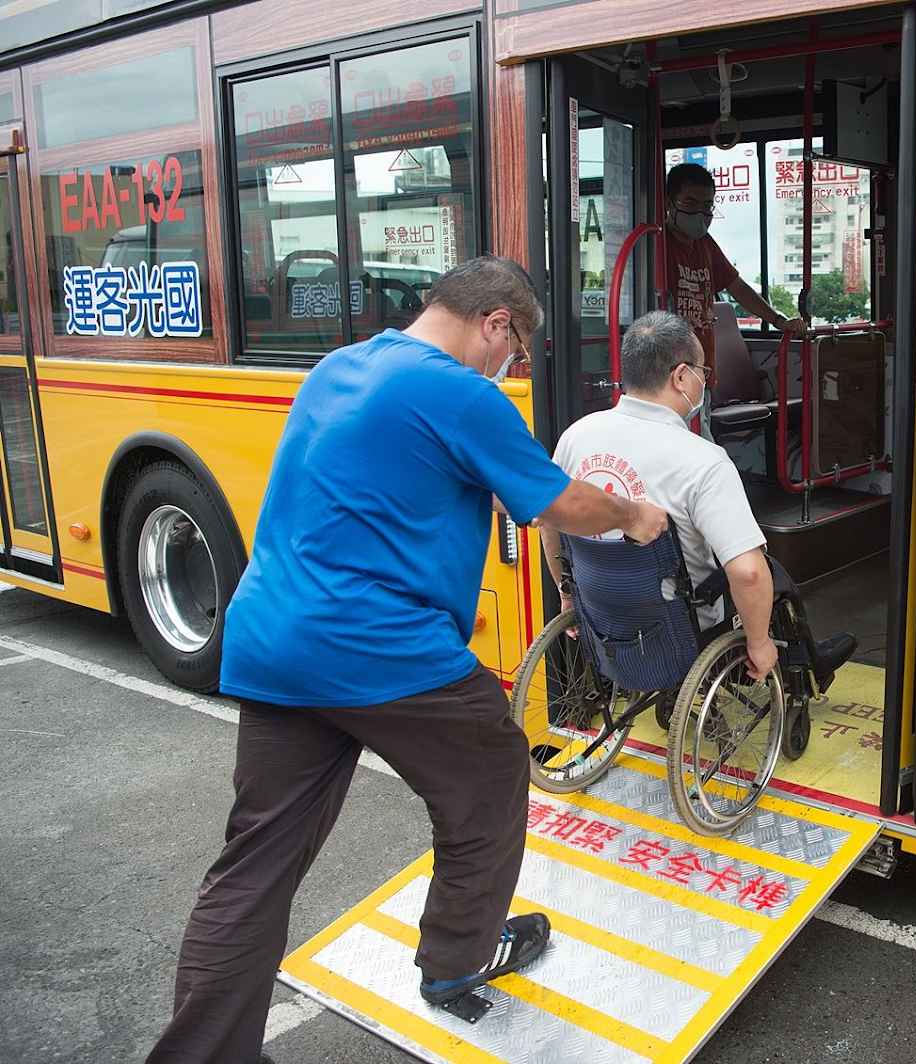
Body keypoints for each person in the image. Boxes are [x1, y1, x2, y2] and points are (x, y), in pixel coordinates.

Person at [145, 256, 669, 1064]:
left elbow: (387, 481)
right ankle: (457, 960)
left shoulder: (343, 365)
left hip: (275, 636)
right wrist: (634, 516)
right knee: (493, 773)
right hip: (377, 646)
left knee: (256, 860)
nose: (511, 365)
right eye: (517, 348)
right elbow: (562, 502)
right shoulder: (462, 392)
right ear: (496, 322)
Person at [541, 310, 854, 684]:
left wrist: (566, 593)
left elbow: (550, 523)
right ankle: (805, 666)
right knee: (768, 570)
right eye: (703, 372)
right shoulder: (702, 460)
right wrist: (758, 643)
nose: (704, 381)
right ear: (681, 376)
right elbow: (747, 573)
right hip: (680, 623)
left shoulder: (577, 436)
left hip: (602, 608)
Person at [663, 162, 804, 384]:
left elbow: (737, 287)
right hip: (666, 370)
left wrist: (778, 320)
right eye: (690, 203)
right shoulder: (657, 246)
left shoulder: (705, 245)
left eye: (707, 205)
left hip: (701, 369)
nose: (700, 213)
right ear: (668, 202)